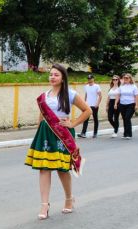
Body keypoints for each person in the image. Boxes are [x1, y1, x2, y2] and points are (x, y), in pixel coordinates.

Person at [25, 64, 91, 220]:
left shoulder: (69, 93)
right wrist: (39, 129)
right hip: (45, 134)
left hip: (62, 134)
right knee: (44, 168)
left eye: (56, 75)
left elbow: (87, 110)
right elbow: (42, 115)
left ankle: (69, 199)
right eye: (51, 75)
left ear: (62, 78)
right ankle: (44, 204)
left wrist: (73, 124)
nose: (52, 77)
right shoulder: (44, 96)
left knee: (62, 169)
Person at [115, 73, 138, 139]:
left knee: (127, 118)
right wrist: (115, 103)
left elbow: (137, 96)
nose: (125, 79)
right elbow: (118, 95)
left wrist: (137, 105)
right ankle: (125, 134)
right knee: (124, 119)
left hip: (131, 104)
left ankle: (129, 134)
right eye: (124, 78)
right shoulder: (121, 86)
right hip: (122, 105)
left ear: (130, 79)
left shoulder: (133, 86)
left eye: (127, 78)